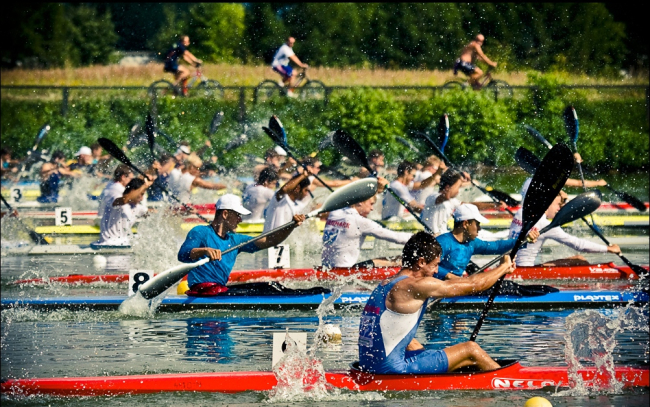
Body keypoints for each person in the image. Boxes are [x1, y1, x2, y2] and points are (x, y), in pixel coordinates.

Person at [358, 231, 516, 374]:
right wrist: (503, 267)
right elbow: (474, 285)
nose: (436, 271)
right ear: (421, 262)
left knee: (418, 346)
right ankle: (509, 381)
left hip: (367, 366)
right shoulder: (415, 285)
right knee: (470, 349)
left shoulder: (385, 284)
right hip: (392, 369)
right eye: (434, 265)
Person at [178, 194, 306, 296]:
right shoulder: (200, 232)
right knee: (265, 290)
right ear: (225, 214)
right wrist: (204, 251)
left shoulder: (235, 240)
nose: (240, 220)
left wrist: (291, 226)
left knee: (270, 285)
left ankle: (310, 293)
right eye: (237, 215)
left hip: (219, 290)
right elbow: (183, 255)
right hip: (202, 291)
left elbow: (269, 241)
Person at [509, 193, 620, 267]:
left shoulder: (521, 212)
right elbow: (578, 244)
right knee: (579, 260)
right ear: (547, 204)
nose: (559, 209)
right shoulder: (547, 225)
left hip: (509, 266)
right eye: (558, 204)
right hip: (526, 271)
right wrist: (608, 249)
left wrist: (559, 193)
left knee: (577, 258)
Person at [322, 182, 413, 268]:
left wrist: (376, 190)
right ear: (360, 202)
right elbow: (396, 237)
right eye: (371, 204)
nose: (372, 208)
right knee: (400, 259)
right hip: (346, 272)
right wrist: (419, 238)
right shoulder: (360, 221)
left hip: (326, 269)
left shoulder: (334, 213)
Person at [434, 204, 538, 280]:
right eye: (477, 224)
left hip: (457, 285)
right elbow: (429, 266)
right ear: (465, 224)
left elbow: (497, 246)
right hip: (439, 288)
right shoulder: (443, 242)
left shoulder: (472, 243)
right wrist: (450, 276)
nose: (479, 228)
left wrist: (523, 240)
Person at [421, 169, 505, 237]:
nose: (458, 191)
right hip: (432, 238)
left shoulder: (451, 201)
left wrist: (494, 205)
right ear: (447, 187)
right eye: (458, 187)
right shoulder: (433, 197)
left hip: (443, 236)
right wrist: (460, 177)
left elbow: (470, 206)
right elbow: (446, 196)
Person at [91, 177, 153, 248]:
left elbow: (154, 214)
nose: (142, 198)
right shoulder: (117, 200)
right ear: (133, 191)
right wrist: (144, 186)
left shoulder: (136, 207)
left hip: (122, 242)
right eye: (141, 194)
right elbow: (125, 200)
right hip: (109, 243)